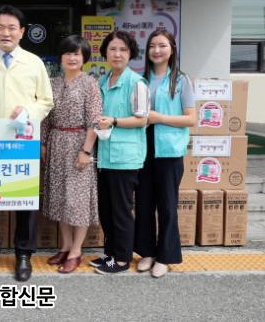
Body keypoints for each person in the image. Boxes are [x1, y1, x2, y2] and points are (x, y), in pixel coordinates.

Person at [0, 5, 54, 282]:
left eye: (12, 28)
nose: (6, 33)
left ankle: (24, 254)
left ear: (22, 32)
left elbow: (46, 101)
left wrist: (28, 112)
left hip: (22, 142)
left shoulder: (34, 62)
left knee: (24, 201)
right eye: (1, 27)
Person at [134, 29, 196, 278]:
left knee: (167, 206)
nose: (156, 50)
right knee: (144, 203)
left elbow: (191, 118)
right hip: (143, 147)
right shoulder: (141, 79)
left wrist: (160, 118)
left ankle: (166, 256)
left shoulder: (181, 80)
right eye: (152, 46)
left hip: (169, 150)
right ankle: (147, 252)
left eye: (162, 45)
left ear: (172, 50)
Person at [41, 35, 101, 273]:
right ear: (61, 57)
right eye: (68, 53)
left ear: (84, 58)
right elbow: (46, 117)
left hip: (79, 144)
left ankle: (76, 251)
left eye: (77, 54)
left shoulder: (90, 84)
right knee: (60, 198)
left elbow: (95, 121)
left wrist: (86, 150)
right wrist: (43, 144)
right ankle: (65, 247)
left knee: (77, 200)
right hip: (56, 143)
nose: (72, 58)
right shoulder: (52, 83)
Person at [91, 30, 150, 275]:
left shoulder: (137, 83)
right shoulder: (102, 81)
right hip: (105, 156)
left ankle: (123, 258)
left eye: (123, 50)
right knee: (106, 209)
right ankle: (111, 253)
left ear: (131, 54)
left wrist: (114, 120)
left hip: (125, 158)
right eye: (113, 49)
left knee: (121, 211)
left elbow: (142, 119)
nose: (117, 54)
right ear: (105, 53)